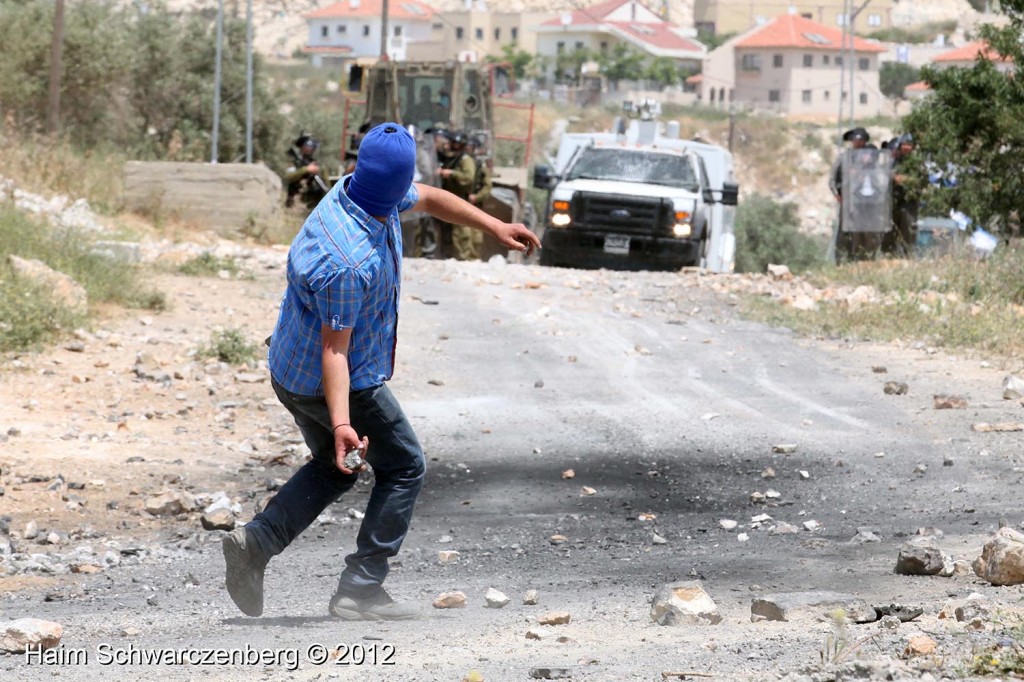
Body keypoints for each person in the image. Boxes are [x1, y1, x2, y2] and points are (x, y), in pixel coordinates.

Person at [221, 123, 540, 621]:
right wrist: (345, 422)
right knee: (404, 465)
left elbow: (431, 197)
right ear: (390, 185)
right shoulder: (348, 259)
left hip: (291, 366)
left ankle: (256, 544)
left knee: (334, 465)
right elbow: (335, 352)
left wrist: (494, 227)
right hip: (328, 376)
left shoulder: (357, 190)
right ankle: (361, 588)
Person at [829, 127, 869, 263]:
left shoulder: (869, 157)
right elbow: (832, 179)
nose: (859, 143)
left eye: (862, 140)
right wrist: (837, 195)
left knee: (859, 233)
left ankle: (856, 260)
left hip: (863, 203)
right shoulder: (843, 158)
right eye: (856, 140)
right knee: (843, 232)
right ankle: (839, 260)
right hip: (847, 201)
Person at [439, 130, 479, 261]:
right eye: (453, 143)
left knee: (461, 230)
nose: (454, 146)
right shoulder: (451, 157)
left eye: (457, 144)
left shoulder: (465, 159)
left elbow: (468, 177)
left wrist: (451, 173)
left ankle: (464, 258)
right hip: (448, 197)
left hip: (460, 198)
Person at [883, 133, 919, 258]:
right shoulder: (893, 161)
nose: (906, 147)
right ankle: (888, 259)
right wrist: (894, 177)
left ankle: (907, 259)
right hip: (892, 204)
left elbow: (921, 179)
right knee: (889, 235)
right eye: (904, 144)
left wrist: (908, 179)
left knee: (908, 235)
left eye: (909, 145)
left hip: (909, 204)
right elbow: (884, 173)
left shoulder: (917, 163)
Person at [284, 133, 329, 211]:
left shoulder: (316, 164)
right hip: (295, 204)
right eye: (307, 145)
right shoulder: (294, 161)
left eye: (312, 145)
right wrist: (306, 169)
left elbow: (325, 183)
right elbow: (288, 176)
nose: (310, 148)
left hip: (312, 205)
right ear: (301, 147)